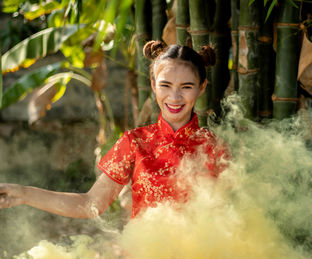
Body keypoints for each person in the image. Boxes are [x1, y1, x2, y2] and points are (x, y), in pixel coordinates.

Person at [0, 40, 228, 219]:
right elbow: (91, 204)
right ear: (153, 85)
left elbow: (231, 217)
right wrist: (23, 194)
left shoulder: (215, 148)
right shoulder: (134, 142)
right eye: (165, 85)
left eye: (186, 87)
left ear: (201, 87)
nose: (175, 97)